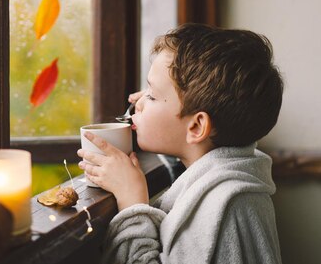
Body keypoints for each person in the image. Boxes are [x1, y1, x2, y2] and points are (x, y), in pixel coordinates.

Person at [77, 23, 284, 264]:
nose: (138, 103)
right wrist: (157, 97)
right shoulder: (230, 183)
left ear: (196, 127)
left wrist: (132, 201)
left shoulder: (226, 205)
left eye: (151, 95)